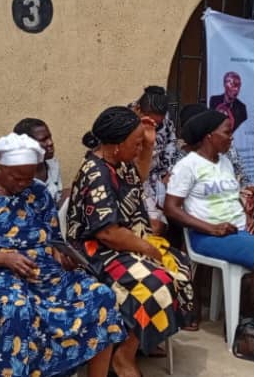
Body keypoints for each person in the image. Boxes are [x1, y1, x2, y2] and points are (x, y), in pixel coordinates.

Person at [0, 133, 125, 377]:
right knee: (18, 309)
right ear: (1, 168)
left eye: (29, 176)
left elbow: (53, 239)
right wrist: (5, 259)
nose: (24, 183)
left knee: (101, 295)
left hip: (43, 272)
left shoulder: (39, 193)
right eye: (17, 177)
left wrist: (63, 256)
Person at [65, 106, 194, 377]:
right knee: (155, 282)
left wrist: (147, 143)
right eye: (135, 143)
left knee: (178, 264)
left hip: (119, 243)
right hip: (94, 253)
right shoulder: (96, 173)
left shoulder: (116, 164)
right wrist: (148, 249)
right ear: (117, 145)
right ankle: (123, 357)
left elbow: (138, 178)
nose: (139, 148)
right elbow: (108, 232)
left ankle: (135, 342)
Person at [162, 106, 254, 360]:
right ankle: (245, 319)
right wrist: (211, 227)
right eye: (227, 132)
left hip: (238, 230)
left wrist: (247, 214)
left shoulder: (224, 162)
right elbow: (171, 209)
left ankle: (246, 314)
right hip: (208, 237)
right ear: (209, 136)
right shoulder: (187, 166)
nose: (231, 137)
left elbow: (230, 197)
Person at [130, 86, 175, 234]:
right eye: (150, 122)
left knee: (160, 224)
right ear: (138, 109)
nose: (154, 127)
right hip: (128, 179)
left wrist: (167, 173)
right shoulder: (124, 122)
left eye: (158, 124)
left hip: (153, 179)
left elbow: (170, 147)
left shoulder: (167, 124)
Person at [13, 118, 66, 202]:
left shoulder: (53, 165)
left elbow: (57, 199)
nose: (50, 143)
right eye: (43, 140)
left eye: (49, 137)